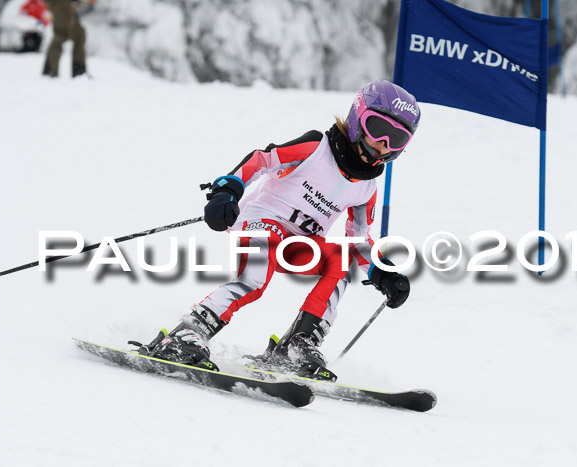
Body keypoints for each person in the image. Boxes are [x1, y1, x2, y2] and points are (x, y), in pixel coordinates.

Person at [136, 80, 421, 379]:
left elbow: (359, 239)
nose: (383, 144)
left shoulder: (367, 188)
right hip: (262, 223)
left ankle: (298, 345)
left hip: (299, 245)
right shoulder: (315, 147)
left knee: (342, 259)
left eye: (396, 139)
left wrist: (381, 273)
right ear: (356, 119)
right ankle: (187, 333)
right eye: (377, 128)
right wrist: (227, 191)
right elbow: (262, 160)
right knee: (255, 279)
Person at [42, 0, 94, 77]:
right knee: (61, 35)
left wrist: (85, 2)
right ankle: (51, 70)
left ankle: (78, 70)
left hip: (65, 6)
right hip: (60, 6)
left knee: (78, 35)